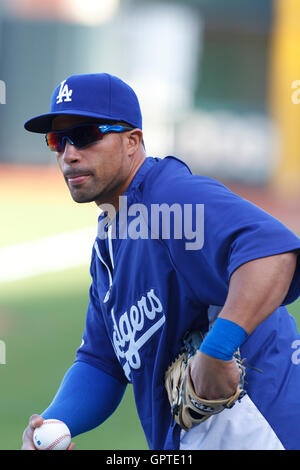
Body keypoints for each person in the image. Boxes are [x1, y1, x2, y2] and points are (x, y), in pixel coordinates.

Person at [21, 73, 300, 450]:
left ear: (132, 141)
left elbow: (272, 251)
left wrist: (218, 349)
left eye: (85, 135)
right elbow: (102, 361)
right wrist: (55, 421)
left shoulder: (168, 198)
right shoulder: (108, 244)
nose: (69, 154)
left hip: (270, 432)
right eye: (57, 140)